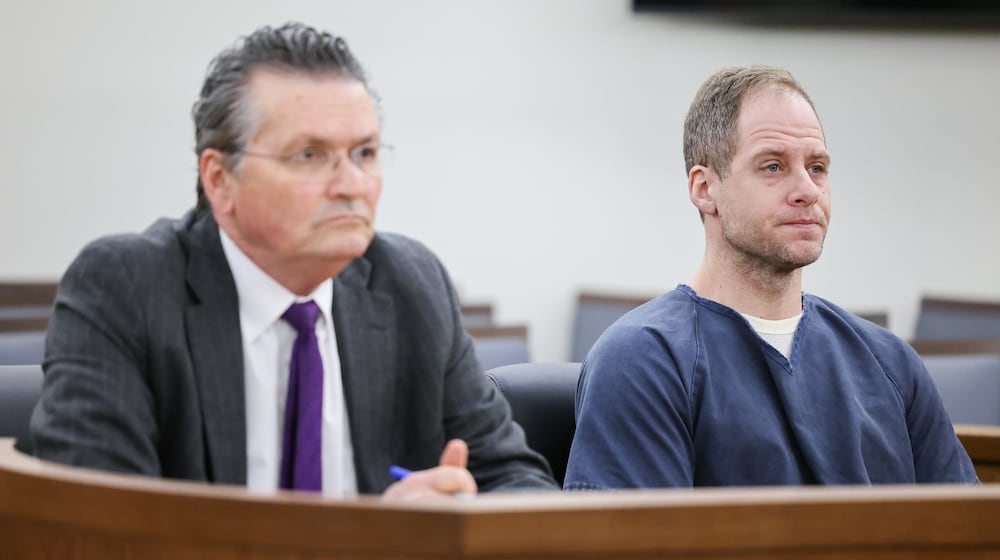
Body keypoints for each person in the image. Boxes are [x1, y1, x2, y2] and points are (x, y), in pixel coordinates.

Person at [29, 22, 557, 500]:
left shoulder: (411, 286)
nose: (351, 185)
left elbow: (518, 483)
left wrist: (463, 517)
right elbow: (103, 526)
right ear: (219, 179)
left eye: (365, 154)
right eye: (309, 155)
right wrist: (382, 543)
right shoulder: (126, 289)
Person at [563, 65, 978, 489]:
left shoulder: (890, 363)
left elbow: (969, 535)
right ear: (705, 189)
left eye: (817, 168)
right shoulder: (644, 360)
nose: (807, 190)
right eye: (773, 167)